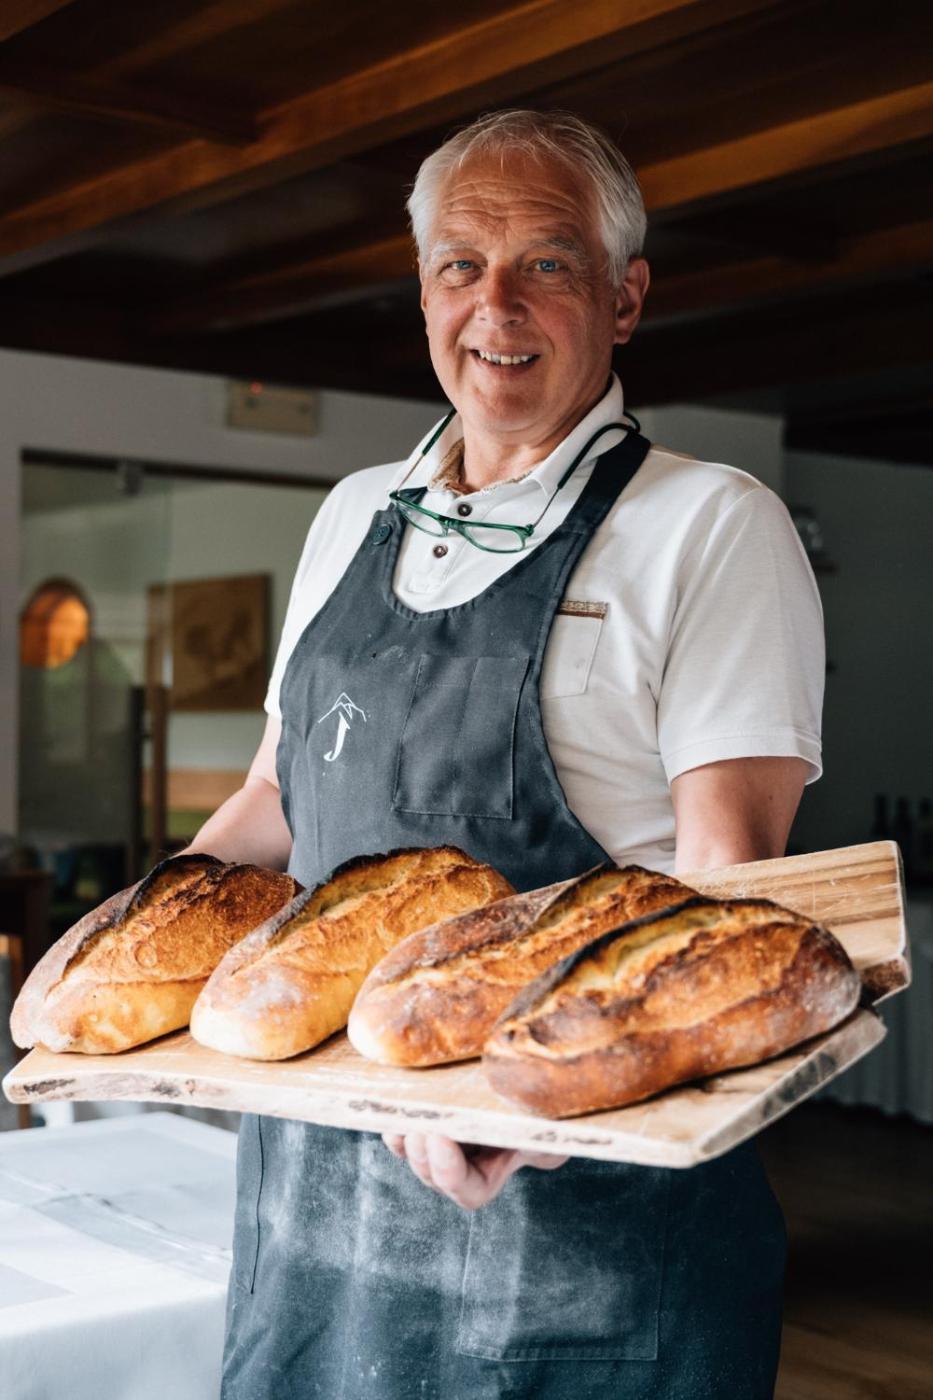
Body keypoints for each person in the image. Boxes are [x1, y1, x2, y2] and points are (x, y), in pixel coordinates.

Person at [189, 109, 824, 1399]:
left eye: (546, 263)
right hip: (316, 1222)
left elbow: (728, 891)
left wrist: (529, 1112)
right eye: (460, 267)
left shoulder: (710, 524)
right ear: (424, 294)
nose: (497, 306)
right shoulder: (352, 514)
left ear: (625, 298)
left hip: (587, 1225)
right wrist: (144, 925)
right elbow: (271, 801)